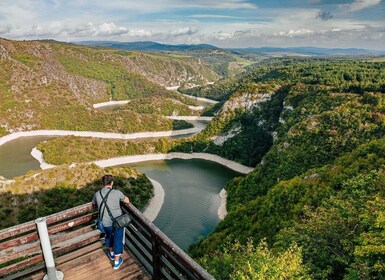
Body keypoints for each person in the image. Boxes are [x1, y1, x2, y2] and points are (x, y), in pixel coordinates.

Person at [92, 174, 130, 269]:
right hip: (118, 222)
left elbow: (93, 203)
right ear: (111, 183)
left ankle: (112, 254)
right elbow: (127, 201)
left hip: (105, 223)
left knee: (108, 237)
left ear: (103, 183)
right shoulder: (117, 193)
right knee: (118, 240)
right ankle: (116, 262)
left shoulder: (97, 194)